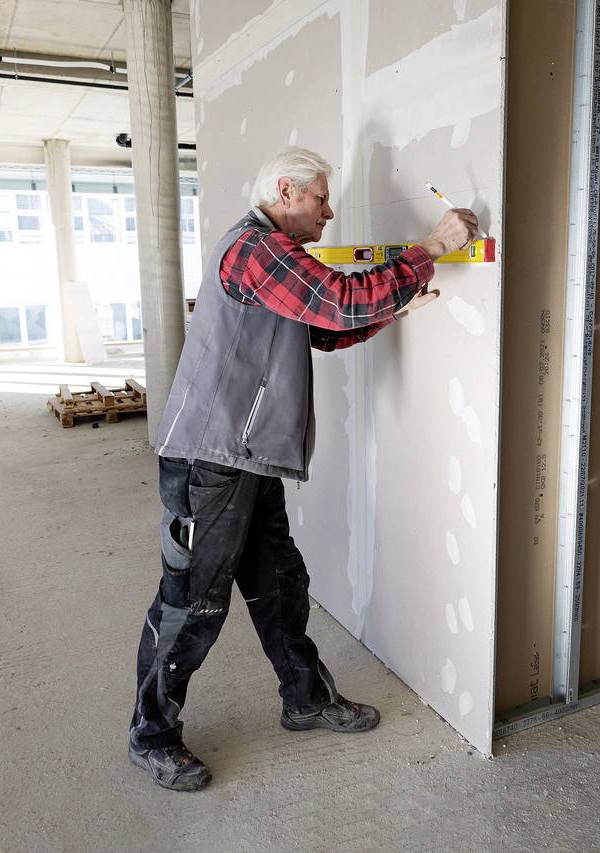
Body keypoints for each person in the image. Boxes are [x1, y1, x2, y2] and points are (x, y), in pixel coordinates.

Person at [128, 146, 480, 792]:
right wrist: (432, 244)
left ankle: (304, 696)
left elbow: (321, 328)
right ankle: (150, 731)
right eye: (321, 199)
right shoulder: (254, 251)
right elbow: (339, 301)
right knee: (192, 604)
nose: (329, 211)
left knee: (280, 584)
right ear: (285, 192)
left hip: (249, 454)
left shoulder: (274, 258)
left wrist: (392, 308)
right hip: (211, 459)